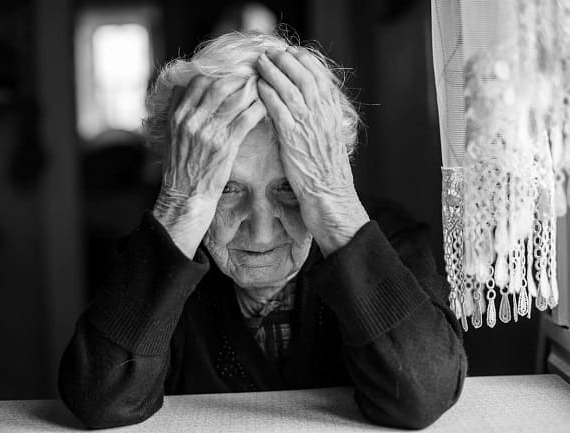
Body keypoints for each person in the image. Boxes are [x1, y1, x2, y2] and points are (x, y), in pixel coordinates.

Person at [58, 30, 467, 430]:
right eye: (226, 188)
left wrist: (335, 204)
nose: (261, 231)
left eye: (289, 188)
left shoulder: (391, 241)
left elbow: (423, 394)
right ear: (183, 176)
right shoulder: (155, 256)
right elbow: (100, 400)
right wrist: (180, 207)